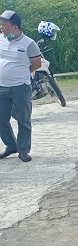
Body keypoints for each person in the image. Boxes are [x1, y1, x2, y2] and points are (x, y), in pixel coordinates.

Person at [0, 10, 41, 162]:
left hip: (20, 87)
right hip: (1, 87)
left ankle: (23, 150)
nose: (1, 27)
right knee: (1, 120)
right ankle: (11, 146)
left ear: (14, 27)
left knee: (23, 119)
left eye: (4, 24)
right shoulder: (1, 39)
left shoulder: (29, 43)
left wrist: (21, 73)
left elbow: (36, 63)